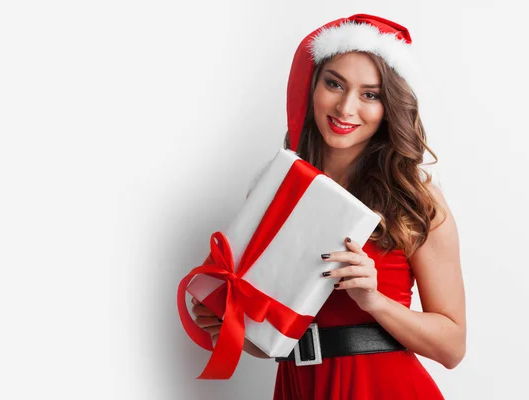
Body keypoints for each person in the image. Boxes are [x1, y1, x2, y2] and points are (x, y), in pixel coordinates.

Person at [190, 13, 465, 399]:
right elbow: (270, 339)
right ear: (311, 85)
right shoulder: (275, 191)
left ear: (390, 106)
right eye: (334, 84)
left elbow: (452, 347)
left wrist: (374, 301)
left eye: (370, 94)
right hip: (298, 387)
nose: (346, 107)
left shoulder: (415, 198)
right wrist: (226, 324)